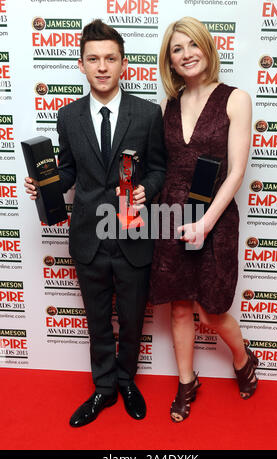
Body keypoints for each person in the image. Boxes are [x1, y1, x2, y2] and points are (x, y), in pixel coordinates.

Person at [25, 19, 166, 426]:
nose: (102, 66)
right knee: (98, 319)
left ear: (124, 64)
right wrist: (47, 185)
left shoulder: (147, 113)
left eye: (110, 58)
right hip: (88, 237)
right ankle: (103, 388)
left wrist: (147, 189)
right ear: (81, 64)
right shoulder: (67, 116)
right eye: (93, 59)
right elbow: (68, 170)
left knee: (134, 317)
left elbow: (158, 168)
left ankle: (126, 381)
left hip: (133, 235)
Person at [149, 16, 258, 423]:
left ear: (207, 48)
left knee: (211, 310)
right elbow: (164, 165)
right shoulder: (167, 104)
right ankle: (186, 382)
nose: (186, 54)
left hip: (215, 217)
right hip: (172, 214)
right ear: (170, 60)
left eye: (192, 45)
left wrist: (207, 222)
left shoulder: (236, 98)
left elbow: (235, 172)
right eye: (177, 49)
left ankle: (243, 358)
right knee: (179, 307)